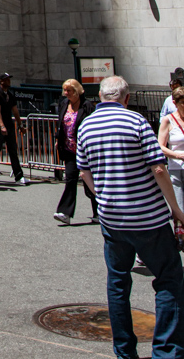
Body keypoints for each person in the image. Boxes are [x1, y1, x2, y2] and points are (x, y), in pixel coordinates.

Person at [77, 75, 184, 359]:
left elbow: (84, 172)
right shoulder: (136, 122)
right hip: (148, 217)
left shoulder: (86, 126)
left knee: (118, 282)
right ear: (126, 98)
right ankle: (167, 350)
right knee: (169, 278)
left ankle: (124, 351)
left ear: (100, 97)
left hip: (112, 219)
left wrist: (103, 197)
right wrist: (175, 209)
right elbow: (158, 169)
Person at [54, 79, 97, 225]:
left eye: (69, 91)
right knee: (70, 179)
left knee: (89, 181)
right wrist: (57, 139)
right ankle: (65, 212)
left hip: (85, 150)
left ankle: (99, 212)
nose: (66, 93)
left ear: (77, 91)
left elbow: (92, 125)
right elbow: (61, 123)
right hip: (69, 149)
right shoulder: (64, 104)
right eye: (65, 90)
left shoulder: (87, 106)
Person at [0, 73, 27, 186]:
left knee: (13, 150)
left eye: (9, 79)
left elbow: (15, 111)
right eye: (6, 79)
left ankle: (19, 176)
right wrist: (2, 126)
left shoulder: (10, 95)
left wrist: (20, 125)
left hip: (10, 126)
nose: (9, 81)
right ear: (1, 81)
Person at [158, 85, 184, 212]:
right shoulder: (168, 120)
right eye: (183, 103)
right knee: (179, 208)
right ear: (175, 103)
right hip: (177, 169)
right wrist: (178, 155)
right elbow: (161, 147)